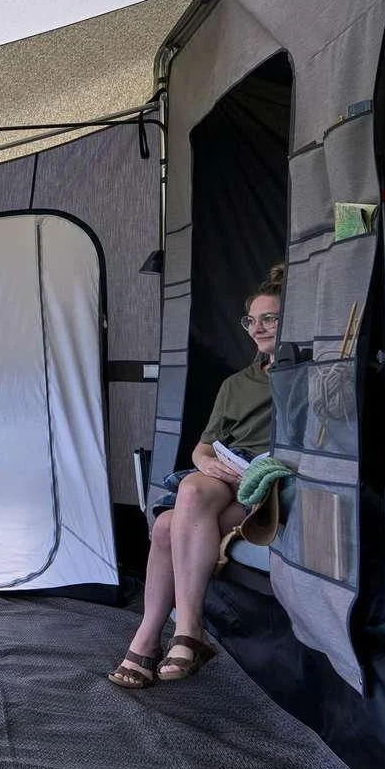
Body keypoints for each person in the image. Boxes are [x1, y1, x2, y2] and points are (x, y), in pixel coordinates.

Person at [108, 263, 284, 688]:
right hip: (222, 475)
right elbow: (203, 447)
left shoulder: (306, 378)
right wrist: (207, 463)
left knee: (168, 525)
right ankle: (185, 632)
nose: (257, 328)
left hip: (265, 487)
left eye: (269, 319)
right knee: (192, 482)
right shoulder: (236, 384)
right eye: (251, 321)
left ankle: (152, 639)